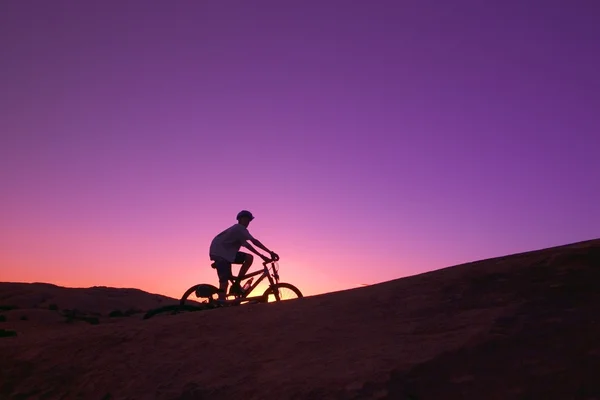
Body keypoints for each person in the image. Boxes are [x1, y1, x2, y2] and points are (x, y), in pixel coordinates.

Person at [208, 210, 279, 301]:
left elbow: (248, 245)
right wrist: (268, 253)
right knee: (224, 281)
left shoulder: (239, 232)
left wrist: (264, 254)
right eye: (246, 219)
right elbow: (254, 242)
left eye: (249, 220)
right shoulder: (239, 228)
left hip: (228, 254)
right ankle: (221, 303)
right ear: (240, 219)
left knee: (249, 258)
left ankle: (237, 283)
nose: (248, 222)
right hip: (220, 253)